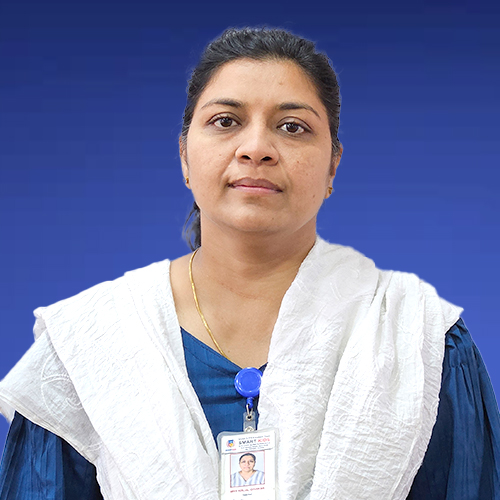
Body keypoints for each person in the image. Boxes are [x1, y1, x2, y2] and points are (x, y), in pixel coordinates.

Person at [0, 26, 499, 500]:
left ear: (333, 165)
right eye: (226, 121)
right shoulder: (90, 347)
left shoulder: (415, 340)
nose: (256, 149)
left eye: (292, 127)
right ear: (184, 157)